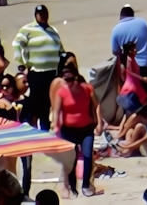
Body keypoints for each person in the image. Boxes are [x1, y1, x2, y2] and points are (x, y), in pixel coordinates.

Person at [14, 4, 64, 189]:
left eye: (45, 13)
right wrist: (22, 63)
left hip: (51, 72)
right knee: (36, 101)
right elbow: (16, 44)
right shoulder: (27, 29)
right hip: (36, 72)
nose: (43, 16)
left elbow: (60, 49)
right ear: (36, 15)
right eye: (40, 13)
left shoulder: (53, 30)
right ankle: (38, 131)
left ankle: (45, 130)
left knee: (48, 102)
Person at [49, 54, 101, 197]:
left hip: (86, 128)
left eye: (70, 78)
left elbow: (96, 105)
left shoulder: (86, 87)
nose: (67, 81)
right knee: (69, 160)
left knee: (87, 156)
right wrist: (57, 129)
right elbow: (57, 111)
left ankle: (85, 185)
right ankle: (72, 187)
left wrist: (99, 123)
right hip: (68, 129)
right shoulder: (60, 88)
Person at [110, 6, 147, 80]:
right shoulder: (143, 23)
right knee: (146, 89)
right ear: (133, 15)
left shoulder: (116, 30)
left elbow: (115, 51)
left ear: (120, 17)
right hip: (145, 65)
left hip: (129, 68)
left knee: (130, 88)